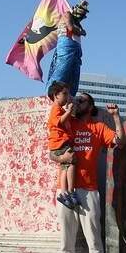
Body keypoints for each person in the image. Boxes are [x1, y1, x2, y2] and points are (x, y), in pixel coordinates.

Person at [56, 92, 126, 253]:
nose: (76, 102)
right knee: (66, 241)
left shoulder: (98, 127)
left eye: (81, 100)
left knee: (93, 239)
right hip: (65, 189)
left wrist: (115, 117)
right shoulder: (67, 124)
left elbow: (119, 141)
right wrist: (60, 156)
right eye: (75, 99)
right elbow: (52, 150)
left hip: (88, 190)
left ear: (91, 106)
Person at [44, 1, 89, 97]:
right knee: (62, 69)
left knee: (73, 75)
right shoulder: (67, 14)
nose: (82, 15)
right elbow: (71, 28)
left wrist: (80, 31)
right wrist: (81, 32)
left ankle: (70, 96)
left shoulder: (77, 22)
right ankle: (52, 93)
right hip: (66, 44)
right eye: (81, 12)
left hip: (76, 47)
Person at [46, 81, 79, 210]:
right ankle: (70, 190)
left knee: (65, 167)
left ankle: (64, 192)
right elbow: (60, 122)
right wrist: (69, 111)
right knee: (71, 163)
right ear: (56, 95)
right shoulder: (55, 109)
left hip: (59, 144)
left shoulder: (59, 109)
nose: (67, 96)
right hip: (60, 143)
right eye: (64, 94)